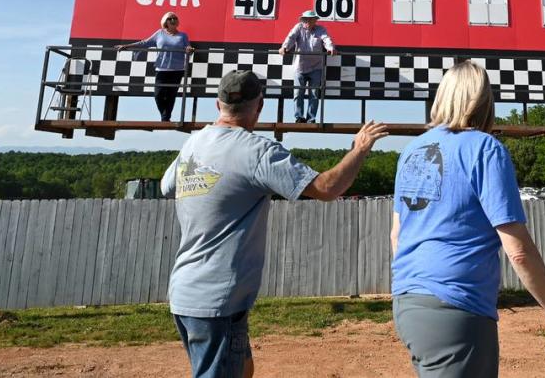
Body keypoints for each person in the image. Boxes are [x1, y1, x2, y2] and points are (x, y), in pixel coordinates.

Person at [161, 69, 388, 378]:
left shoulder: (193, 144)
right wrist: (359, 148)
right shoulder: (256, 152)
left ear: (218, 105)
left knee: (243, 368)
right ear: (259, 106)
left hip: (186, 291)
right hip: (218, 300)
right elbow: (326, 188)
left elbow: (166, 187)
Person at [390, 61, 545, 377]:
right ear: (483, 101)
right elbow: (517, 249)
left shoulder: (412, 150)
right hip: (457, 307)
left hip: (409, 302)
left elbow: (397, 235)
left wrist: (422, 283)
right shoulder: (485, 149)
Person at [116, 11, 194, 121]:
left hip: (177, 69)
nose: (173, 20)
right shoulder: (159, 33)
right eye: (170, 18)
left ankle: (165, 118)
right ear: (165, 22)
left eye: (175, 18)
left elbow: (188, 48)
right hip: (162, 68)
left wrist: (189, 50)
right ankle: (164, 116)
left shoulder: (183, 36)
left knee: (171, 95)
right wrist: (127, 46)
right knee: (158, 94)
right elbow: (145, 43)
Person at [278, 10, 335, 123]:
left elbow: (326, 39)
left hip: (316, 67)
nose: (308, 21)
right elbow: (291, 37)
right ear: (303, 20)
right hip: (300, 67)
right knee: (298, 92)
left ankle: (311, 118)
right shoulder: (298, 28)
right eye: (306, 19)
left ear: (315, 21)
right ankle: (299, 117)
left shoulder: (321, 29)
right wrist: (284, 47)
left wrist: (330, 48)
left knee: (314, 94)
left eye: (311, 19)